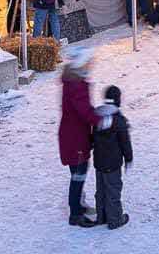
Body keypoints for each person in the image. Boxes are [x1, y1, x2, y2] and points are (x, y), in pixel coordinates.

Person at [58, 50, 99, 227]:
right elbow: (85, 112)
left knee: (77, 173)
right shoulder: (77, 85)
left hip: (72, 135)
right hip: (75, 139)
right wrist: (104, 120)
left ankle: (79, 204)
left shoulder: (73, 81)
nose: (91, 65)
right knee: (79, 174)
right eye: (89, 63)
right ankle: (75, 213)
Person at [92, 85, 133, 230]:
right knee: (113, 190)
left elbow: (91, 139)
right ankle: (115, 219)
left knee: (101, 190)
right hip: (113, 164)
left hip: (99, 162)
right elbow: (125, 142)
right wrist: (129, 158)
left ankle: (101, 216)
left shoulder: (97, 117)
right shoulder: (119, 120)